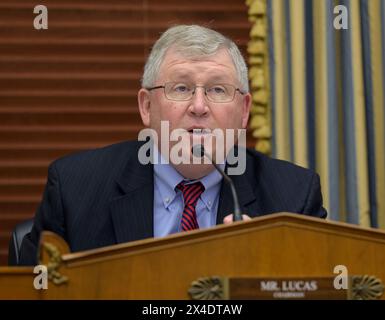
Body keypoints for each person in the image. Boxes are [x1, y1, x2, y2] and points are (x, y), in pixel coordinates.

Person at [19, 25, 327, 266]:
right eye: (181, 88)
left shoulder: (293, 198)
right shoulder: (74, 190)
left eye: (218, 90)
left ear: (244, 111)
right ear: (147, 107)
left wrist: (266, 276)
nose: (198, 106)